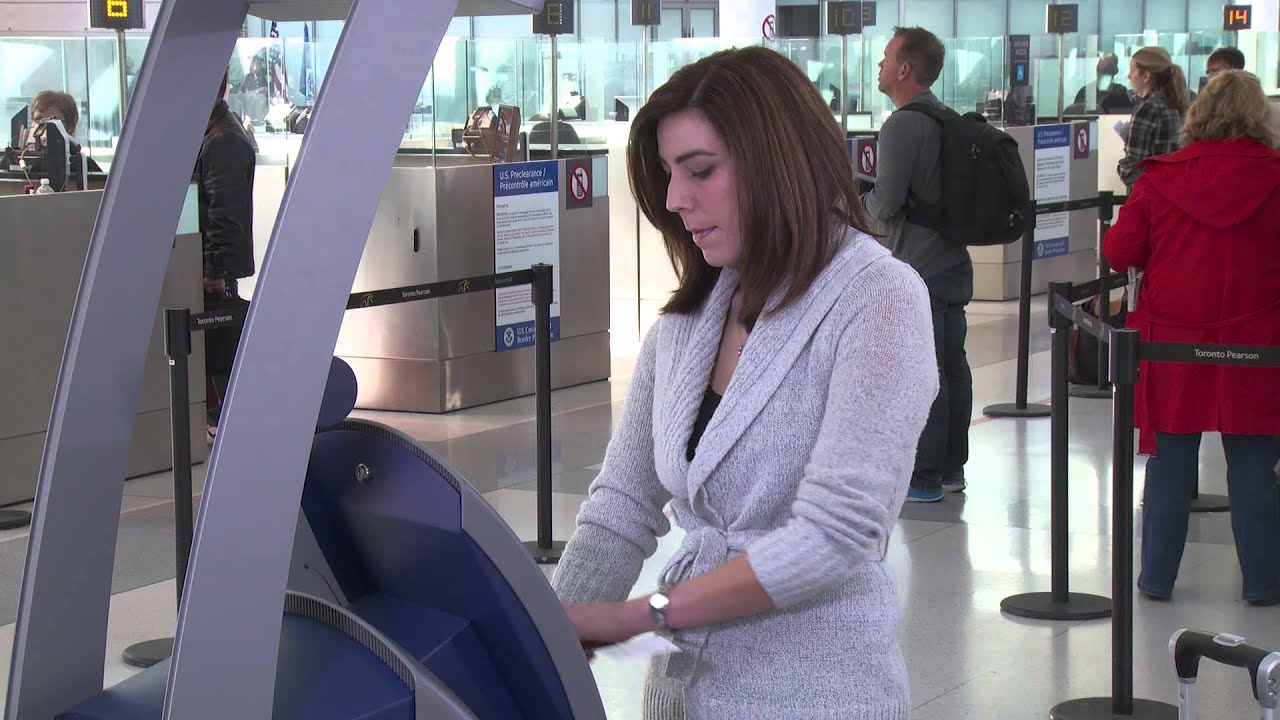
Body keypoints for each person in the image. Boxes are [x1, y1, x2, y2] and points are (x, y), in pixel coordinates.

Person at [551, 46, 939, 719]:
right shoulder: (692, 318)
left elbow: (834, 537)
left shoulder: (879, 297)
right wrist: (547, 635)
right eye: (670, 175)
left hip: (816, 696)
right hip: (686, 692)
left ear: (777, 161)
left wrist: (643, 615)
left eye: (700, 170)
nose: (675, 200)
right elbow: (621, 507)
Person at [1103, 70, 1280, 606]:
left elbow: (1119, 253)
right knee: (1252, 463)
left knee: (1171, 459)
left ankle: (1156, 578)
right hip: (1259, 339)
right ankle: (1264, 584)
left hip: (1172, 341)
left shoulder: (1160, 178)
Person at [862, 26, 973, 503]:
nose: (880, 66)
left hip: (920, 266)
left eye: (886, 58)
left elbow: (886, 204)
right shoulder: (946, 118)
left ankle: (923, 477)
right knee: (952, 362)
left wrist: (852, 208)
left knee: (927, 371)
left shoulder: (903, 124)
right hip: (952, 261)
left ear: (905, 69)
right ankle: (950, 469)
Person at [197, 70, 257, 440]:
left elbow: (224, 210)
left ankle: (232, 418)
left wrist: (214, 268)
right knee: (216, 345)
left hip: (211, 267)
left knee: (221, 344)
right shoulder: (210, 132)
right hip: (203, 260)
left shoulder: (223, 140)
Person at [1117, 47, 1187, 190]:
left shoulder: (1147, 108)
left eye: (1132, 70)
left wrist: (1122, 168)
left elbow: (1132, 169)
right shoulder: (1173, 103)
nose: (1129, 76)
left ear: (1146, 76)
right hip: (1171, 189)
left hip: (1149, 195)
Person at [27, 90, 103, 172]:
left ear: (70, 126)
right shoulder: (25, 164)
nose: (45, 127)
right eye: (39, 120)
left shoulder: (84, 166)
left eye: (53, 121)